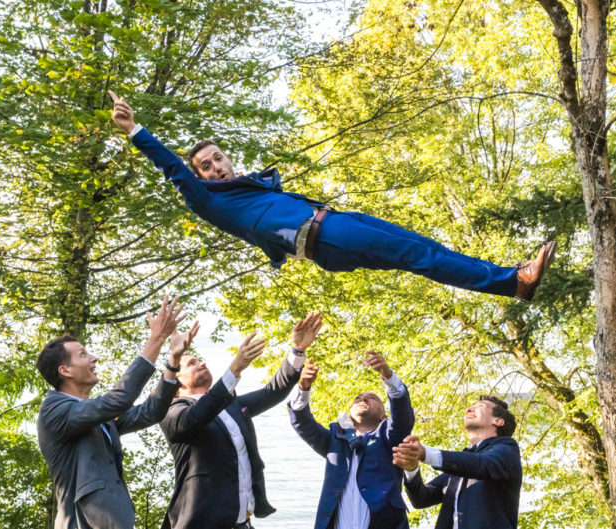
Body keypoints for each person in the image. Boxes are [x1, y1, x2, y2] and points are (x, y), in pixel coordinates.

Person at [109, 91, 555, 301]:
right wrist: (135, 131)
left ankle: (511, 279)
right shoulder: (208, 200)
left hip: (333, 223)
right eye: (205, 166)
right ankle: (511, 282)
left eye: (218, 159)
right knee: (418, 254)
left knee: (423, 249)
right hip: (324, 236)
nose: (215, 167)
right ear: (200, 177)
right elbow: (171, 166)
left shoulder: (250, 188)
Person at [36, 295, 198, 529]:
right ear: (65, 370)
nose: (94, 358)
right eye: (83, 354)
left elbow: (149, 412)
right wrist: (157, 338)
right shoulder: (55, 411)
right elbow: (119, 399)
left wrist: (173, 363)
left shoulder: (92, 414)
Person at [159, 311, 324, 529]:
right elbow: (197, 416)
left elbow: (271, 392)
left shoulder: (231, 405)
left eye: (200, 360)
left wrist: (297, 351)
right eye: (192, 363)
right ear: (177, 384)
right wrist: (235, 368)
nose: (202, 364)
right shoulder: (173, 412)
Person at [288, 352, 414, 529]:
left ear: (383, 416)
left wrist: (388, 376)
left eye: (372, 398)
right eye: (358, 398)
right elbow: (303, 423)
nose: (363, 398)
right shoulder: (334, 438)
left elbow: (403, 417)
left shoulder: (390, 436)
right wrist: (303, 388)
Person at [392, 396, 522, 529]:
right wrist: (411, 469)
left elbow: (482, 464)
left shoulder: (507, 449)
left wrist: (426, 453)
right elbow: (421, 499)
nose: (468, 409)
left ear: (498, 421)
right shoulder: (461, 465)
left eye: (480, 406)